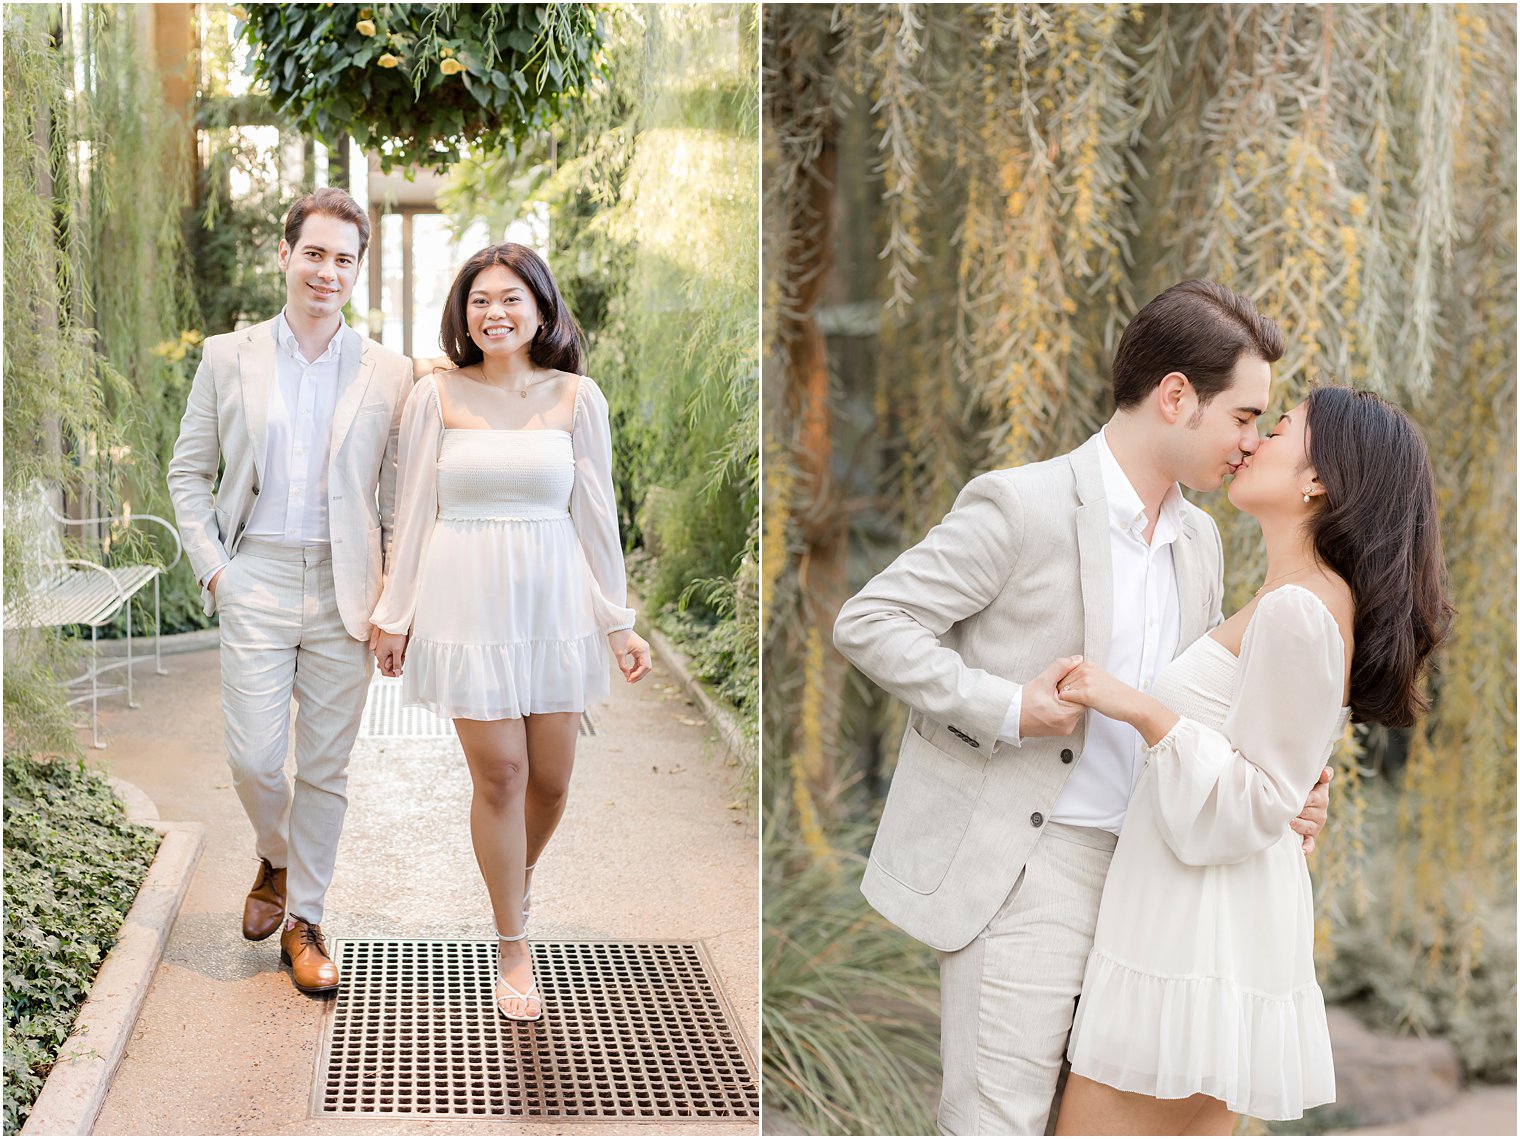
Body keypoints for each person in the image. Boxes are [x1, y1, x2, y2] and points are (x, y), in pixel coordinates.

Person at [832, 280, 1332, 1135]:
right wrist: (1006, 705)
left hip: (1151, 878)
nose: (1250, 444)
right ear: (1176, 396)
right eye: (1244, 417)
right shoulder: (1020, 505)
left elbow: (1189, 706)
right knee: (999, 1120)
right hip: (1032, 865)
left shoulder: (1201, 541)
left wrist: (1280, 790)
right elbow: (871, 620)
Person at [1053, 386, 1451, 1134]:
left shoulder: (1300, 607)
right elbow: (1274, 780)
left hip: (1200, 924)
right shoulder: (1289, 596)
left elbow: (1253, 799)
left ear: (1318, 479)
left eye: (1282, 427)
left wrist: (1139, 706)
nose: (1253, 439)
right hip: (1205, 914)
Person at [369, 243, 652, 1022]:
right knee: (500, 775)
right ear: (463, 315)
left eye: (509, 299)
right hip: (467, 600)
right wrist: (396, 616)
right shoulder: (437, 396)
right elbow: (414, 511)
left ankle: (508, 878)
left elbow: (597, 518)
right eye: (478, 300)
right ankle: (512, 938)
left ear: (541, 308)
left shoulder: (576, 398)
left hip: (554, 600)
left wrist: (618, 624)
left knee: (552, 780)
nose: (494, 312)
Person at [167, 188, 413, 995]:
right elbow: (189, 472)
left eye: (345, 258)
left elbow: (396, 498)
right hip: (258, 575)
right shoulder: (227, 355)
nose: (328, 271)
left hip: (349, 587)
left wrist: (394, 609)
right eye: (315, 252)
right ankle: (275, 853)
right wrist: (216, 569)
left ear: (357, 270)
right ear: (284, 254)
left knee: (327, 769)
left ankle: (304, 919)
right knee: (253, 757)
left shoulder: (388, 370)